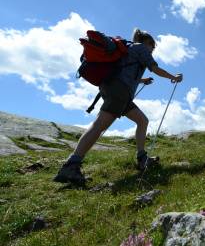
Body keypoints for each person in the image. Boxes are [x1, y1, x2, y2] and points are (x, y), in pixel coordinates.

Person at [53, 28, 183, 184]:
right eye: (152, 45)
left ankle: (142, 158)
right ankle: (71, 165)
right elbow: (155, 68)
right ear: (146, 42)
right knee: (100, 125)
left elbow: (122, 70)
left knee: (142, 120)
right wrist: (173, 77)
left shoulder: (129, 48)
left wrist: (142, 80)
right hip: (120, 91)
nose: (153, 48)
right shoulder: (141, 48)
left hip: (114, 89)